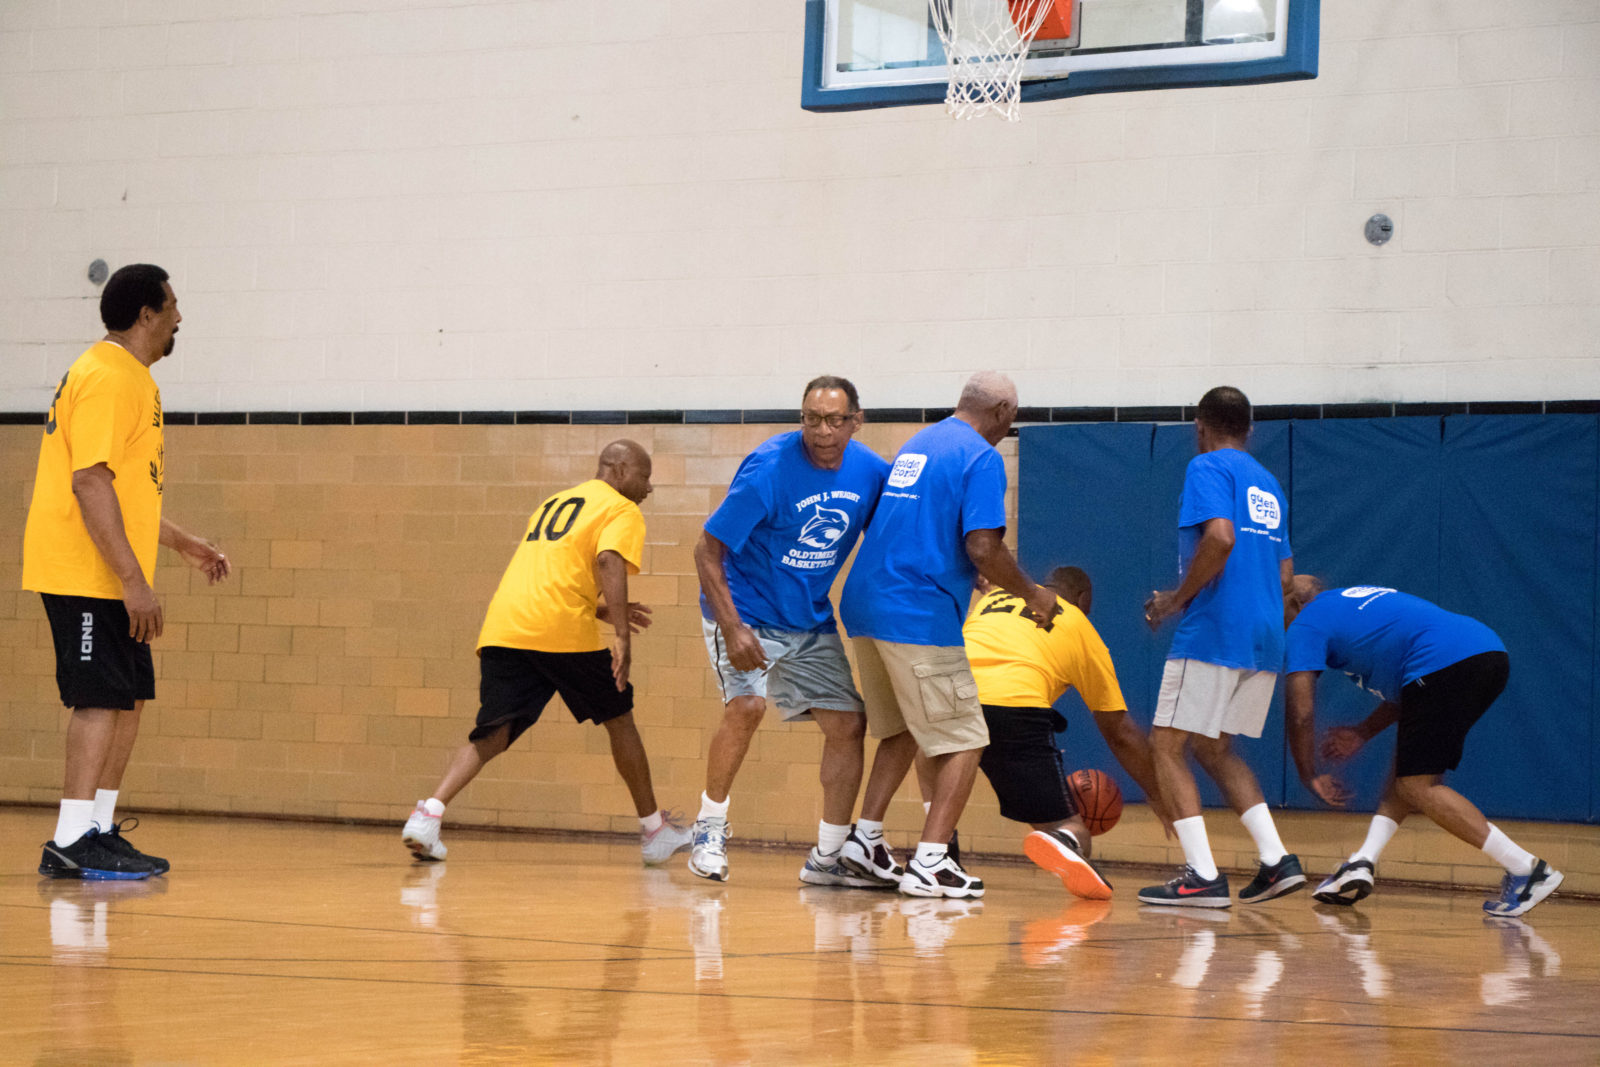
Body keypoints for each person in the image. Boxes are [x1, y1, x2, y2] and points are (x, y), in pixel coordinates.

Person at [25, 263, 232, 880]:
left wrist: (180, 544)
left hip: (110, 569)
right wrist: (133, 580)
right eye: (171, 305)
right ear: (146, 314)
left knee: (129, 698)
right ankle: (69, 839)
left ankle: (97, 828)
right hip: (83, 572)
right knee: (97, 701)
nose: (178, 317)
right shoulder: (110, 377)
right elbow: (88, 481)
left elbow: (124, 492)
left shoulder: (131, 380)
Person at [400, 441, 693, 866]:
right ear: (621, 469)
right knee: (619, 717)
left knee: (493, 731)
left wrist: (600, 609)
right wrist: (623, 641)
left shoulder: (556, 501)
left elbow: (552, 575)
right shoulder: (620, 508)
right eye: (645, 477)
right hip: (558, 631)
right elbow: (609, 559)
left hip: (505, 625)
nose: (648, 488)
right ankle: (655, 831)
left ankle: (428, 814)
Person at [837, 371, 1058, 899]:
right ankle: (932, 861)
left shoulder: (921, 443)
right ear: (1003, 409)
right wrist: (1033, 592)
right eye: (1014, 416)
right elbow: (984, 545)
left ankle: (864, 841)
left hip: (867, 603)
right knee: (966, 737)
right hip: (917, 612)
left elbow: (924, 527)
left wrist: (968, 566)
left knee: (902, 731)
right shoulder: (982, 456)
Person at [687, 377, 889, 886]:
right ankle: (708, 829)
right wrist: (733, 628)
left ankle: (827, 857)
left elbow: (899, 530)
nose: (822, 430)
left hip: (808, 616)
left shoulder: (869, 471)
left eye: (834, 420)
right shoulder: (769, 470)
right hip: (744, 608)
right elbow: (706, 551)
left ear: (856, 421)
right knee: (748, 706)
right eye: (811, 419)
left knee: (848, 724)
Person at [1282, 577, 1564, 918]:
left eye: (1275, 608)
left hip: (1443, 664)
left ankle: (1528, 869)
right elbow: (1411, 694)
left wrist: (1308, 774)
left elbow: (1301, 711)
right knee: (1406, 776)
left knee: (1418, 786)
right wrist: (1362, 732)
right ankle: (1362, 861)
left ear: (1295, 603)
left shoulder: (1306, 623)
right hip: (1485, 653)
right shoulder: (1347, 604)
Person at [1140, 386, 1300, 908]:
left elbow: (1222, 538)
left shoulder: (1206, 468)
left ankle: (1201, 875)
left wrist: (1175, 600)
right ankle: (1277, 860)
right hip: (1265, 636)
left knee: (1166, 745)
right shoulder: (1270, 484)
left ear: (1200, 427)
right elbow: (1286, 576)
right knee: (1213, 747)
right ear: (1249, 430)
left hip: (1216, 630)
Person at [963, 568, 1172, 900]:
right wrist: (1159, 794)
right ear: (1084, 599)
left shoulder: (996, 597)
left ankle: (937, 854)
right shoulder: (1076, 621)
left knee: (935, 759)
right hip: (1012, 707)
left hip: (951, 694)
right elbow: (1120, 732)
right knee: (1072, 828)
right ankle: (1069, 837)